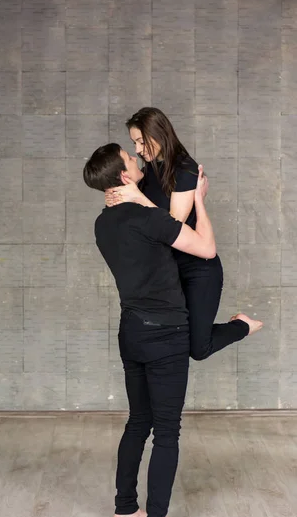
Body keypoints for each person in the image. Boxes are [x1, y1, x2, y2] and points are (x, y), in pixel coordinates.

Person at [83, 143, 216, 517]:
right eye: (131, 158)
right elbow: (206, 249)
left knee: (138, 423)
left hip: (131, 332)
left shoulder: (102, 224)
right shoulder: (148, 220)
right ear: (124, 177)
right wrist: (199, 202)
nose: (138, 159)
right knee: (167, 433)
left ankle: (126, 510)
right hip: (166, 334)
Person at [105, 107, 263, 361]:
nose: (137, 149)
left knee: (197, 349)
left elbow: (172, 224)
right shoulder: (149, 173)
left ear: (158, 134)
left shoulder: (185, 170)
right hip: (170, 271)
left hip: (199, 269)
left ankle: (243, 325)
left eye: (141, 141)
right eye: (133, 143)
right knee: (177, 338)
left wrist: (136, 196)